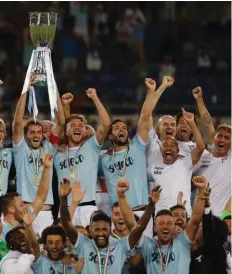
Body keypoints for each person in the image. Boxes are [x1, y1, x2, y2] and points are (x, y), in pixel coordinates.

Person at [100, 78, 170, 236]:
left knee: (143, 259)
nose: (121, 129)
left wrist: (151, 91)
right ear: (110, 135)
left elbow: (145, 116)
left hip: (142, 213)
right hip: (118, 217)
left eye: (124, 127)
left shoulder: (138, 147)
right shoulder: (103, 159)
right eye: (116, 128)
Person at [59, 177, 156, 273]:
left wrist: (151, 206)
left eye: (104, 229)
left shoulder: (120, 247)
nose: (101, 233)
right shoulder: (83, 244)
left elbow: (140, 228)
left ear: (110, 230)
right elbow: (66, 223)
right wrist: (63, 199)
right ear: (91, 231)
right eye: (97, 229)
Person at [12, 74, 65, 235]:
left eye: (39, 132)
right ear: (26, 135)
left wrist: (53, 87)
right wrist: (25, 89)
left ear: (43, 134)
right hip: (25, 211)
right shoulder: (20, 149)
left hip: (46, 213)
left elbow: (61, 122)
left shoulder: (49, 148)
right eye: (32, 132)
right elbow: (16, 124)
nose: (35, 135)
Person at [54, 88, 111, 227]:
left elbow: (106, 124)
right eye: (73, 126)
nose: (77, 127)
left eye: (80, 125)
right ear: (66, 132)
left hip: (88, 209)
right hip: (65, 209)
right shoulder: (57, 152)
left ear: (85, 131)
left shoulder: (91, 147)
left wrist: (95, 98)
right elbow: (62, 122)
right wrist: (64, 104)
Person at [137, 176, 208, 274]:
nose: (165, 226)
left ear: (173, 226)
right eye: (161, 223)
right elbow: (139, 228)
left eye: (169, 223)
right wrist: (151, 205)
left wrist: (201, 190)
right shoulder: (148, 245)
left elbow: (195, 219)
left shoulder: (183, 242)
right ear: (155, 228)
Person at [147, 108, 205, 216]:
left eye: (172, 146)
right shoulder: (153, 167)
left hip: (183, 216)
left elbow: (201, 147)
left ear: (178, 151)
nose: (169, 147)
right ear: (160, 149)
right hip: (161, 218)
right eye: (165, 145)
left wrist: (192, 123)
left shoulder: (185, 161)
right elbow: (138, 177)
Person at [1, 153, 53, 241]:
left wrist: (46, 168)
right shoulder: (0, 229)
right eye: (21, 205)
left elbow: (41, 197)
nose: (26, 206)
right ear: (11, 209)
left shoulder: (26, 217)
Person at [193, 124, 231, 216]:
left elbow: (208, 123)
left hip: (219, 219)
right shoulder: (201, 158)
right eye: (220, 136)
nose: (222, 140)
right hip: (197, 218)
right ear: (214, 138)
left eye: (227, 137)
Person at [0, 207, 40, 274]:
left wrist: (29, 225)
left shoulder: (27, 255)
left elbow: (35, 245)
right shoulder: (8, 260)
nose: (23, 239)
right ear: (10, 245)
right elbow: (16, 271)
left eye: (25, 235)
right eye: (19, 237)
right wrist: (29, 257)